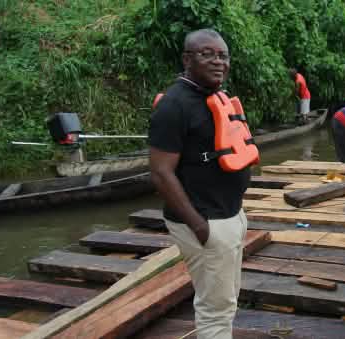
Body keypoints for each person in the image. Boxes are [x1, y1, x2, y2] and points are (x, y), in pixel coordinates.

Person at [149, 29, 252, 338]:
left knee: (226, 299)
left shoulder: (214, 98)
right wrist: (200, 227)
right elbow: (161, 172)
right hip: (207, 222)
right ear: (187, 59)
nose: (218, 61)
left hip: (229, 214)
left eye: (223, 55)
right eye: (207, 54)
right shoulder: (174, 105)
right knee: (215, 310)